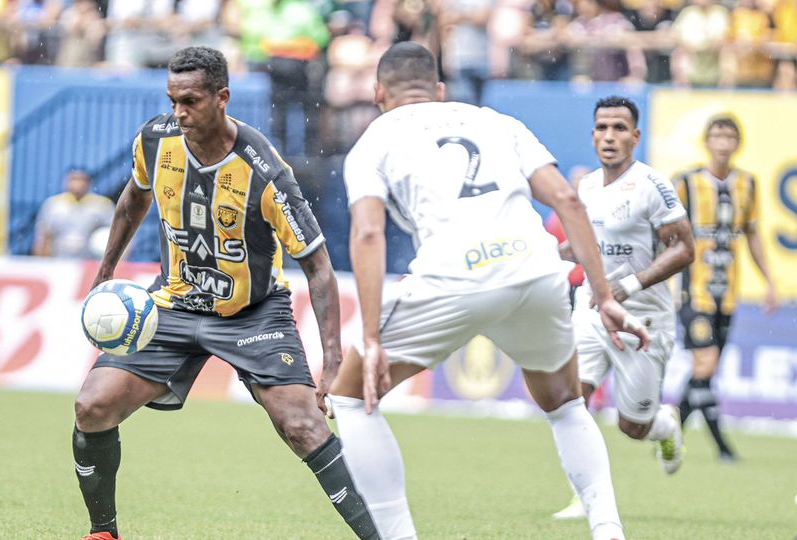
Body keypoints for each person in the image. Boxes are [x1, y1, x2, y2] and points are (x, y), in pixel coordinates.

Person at [328, 42, 651, 540]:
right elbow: (567, 198)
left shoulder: (375, 139)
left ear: (377, 93)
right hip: (535, 269)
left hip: (456, 276)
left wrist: (371, 338)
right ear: (438, 91)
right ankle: (608, 530)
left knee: (351, 398)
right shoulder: (496, 120)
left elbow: (368, 234)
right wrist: (604, 295)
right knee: (565, 403)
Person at [71, 46, 379, 540]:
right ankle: (103, 533)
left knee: (303, 427)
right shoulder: (155, 140)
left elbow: (318, 266)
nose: (178, 112)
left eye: (190, 101)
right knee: (92, 406)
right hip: (173, 303)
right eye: (172, 100)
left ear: (222, 98)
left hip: (252, 314)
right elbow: (133, 196)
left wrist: (334, 358)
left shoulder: (265, 172)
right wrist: (105, 270)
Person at [552, 96, 695, 521]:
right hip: (591, 311)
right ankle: (588, 495)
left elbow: (685, 248)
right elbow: (582, 246)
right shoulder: (588, 185)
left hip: (642, 318)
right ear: (593, 134)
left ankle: (664, 426)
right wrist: (540, 254)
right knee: (568, 400)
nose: (609, 136)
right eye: (601, 128)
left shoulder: (652, 185)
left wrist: (628, 285)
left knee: (632, 426)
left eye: (618, 128)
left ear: (635, 136)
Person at [671, 114, 778, 461]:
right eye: (716, 135)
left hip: (726, 295)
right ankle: (721, 446)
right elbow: (666, 234)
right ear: (706, 142)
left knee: (708, 369)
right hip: (692, 292)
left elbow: (751, 234)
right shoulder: (685, 182)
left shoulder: (747, 184)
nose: (722, 142)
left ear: (737, 144)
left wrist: (769, 281)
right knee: (705, 362)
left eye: (729, 136)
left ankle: (671, 429)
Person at [32, 168, 115, 259]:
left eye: (81, 180)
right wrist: (40, 262)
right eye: (74, 179)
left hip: (90, 264)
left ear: (88, 183)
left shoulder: (102, 205)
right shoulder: (52, 204)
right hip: (58, 262)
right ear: (66, 182)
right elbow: (43, 236)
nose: (77, 184)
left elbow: (116, 233)